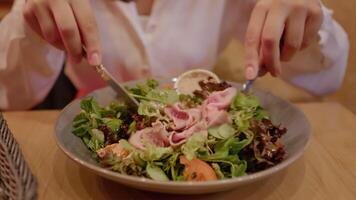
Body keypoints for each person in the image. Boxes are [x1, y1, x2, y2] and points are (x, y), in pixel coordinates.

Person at [0, 0, 349, 110]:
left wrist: (307, 23)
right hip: (89, 125)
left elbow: (327, 78)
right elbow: (9, 93)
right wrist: (31, 23)